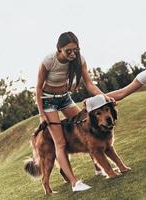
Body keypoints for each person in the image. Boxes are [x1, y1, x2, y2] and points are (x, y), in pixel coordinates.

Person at [36, 31, 112, 192]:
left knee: (87, 126)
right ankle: (75, 183)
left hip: (65, 98)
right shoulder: (49, 61)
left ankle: (99, 168)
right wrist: (42, 114)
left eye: (75, 50)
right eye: (68, 51)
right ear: (59, 49)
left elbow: (89, 84)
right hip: (48, 101)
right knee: (60, 142)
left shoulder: (80, 60)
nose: (72, 54)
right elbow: (38, 88)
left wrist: (105, 97)